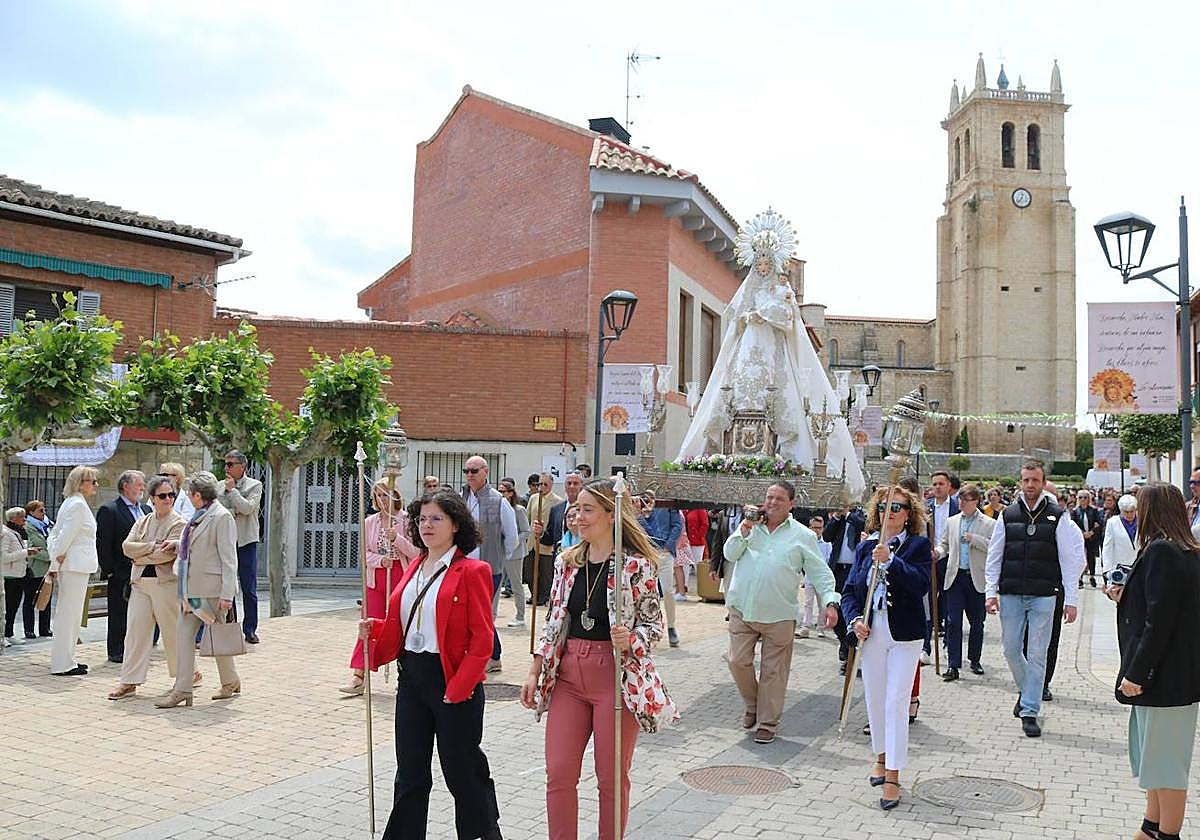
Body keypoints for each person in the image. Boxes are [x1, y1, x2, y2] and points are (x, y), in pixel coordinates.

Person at [520, 478, 677, 840]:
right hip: (568, 676)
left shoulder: (636, 566)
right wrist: (534, 668)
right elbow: (554, 620)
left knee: (611, 777)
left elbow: (654, 626)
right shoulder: (567, 562)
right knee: (559, 771)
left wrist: (632, 639)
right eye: (577, 509)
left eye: (588, 509)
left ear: (611, 514)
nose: (578, 516)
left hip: (615, 678)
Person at [677, 209, 865, 497]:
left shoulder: (781, 291)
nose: (763, 268)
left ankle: (786, 456)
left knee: (783, 400)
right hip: (748, 349)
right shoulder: (748, 291)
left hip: (773, 351)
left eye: (767, 263)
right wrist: (748, 316)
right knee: (735, 391)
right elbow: (735, 317)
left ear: (774, 264)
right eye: (759, 263)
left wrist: (762, 314)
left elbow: (788, 317)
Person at [360, 490, 502, 840]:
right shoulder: (414, 567)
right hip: (412, 679)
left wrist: (460, 688)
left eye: (436, 518)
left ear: (455, 525)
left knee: (462, 771)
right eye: (422, 519)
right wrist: (375, 629)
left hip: (452, 680)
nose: (427, 525)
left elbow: (482, 639)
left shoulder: (473, 570)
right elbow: (406, 622)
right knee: (410, 772)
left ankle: (483, 834)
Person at [1111, 481, 1200, 840]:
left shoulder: (1164, 550)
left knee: (1165, 767)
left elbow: (1159, 622)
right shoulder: (1179, 549)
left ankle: (1167, 834)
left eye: (1142, 506)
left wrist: (1137, 673)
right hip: (1169, 677)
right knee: (1155, 761)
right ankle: (1152, 828)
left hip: (1164, 678)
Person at [723, 480, 839, 744]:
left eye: (779, 499)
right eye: (769, 497)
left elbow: (820, 573)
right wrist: (744, 528)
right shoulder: (751, 526)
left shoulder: (803, 535)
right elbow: (730, 553)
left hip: (780, 615)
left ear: (791, 504)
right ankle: (753, 705)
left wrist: (830, 602)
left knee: (773, 672)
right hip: (742, 609)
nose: (772, 503)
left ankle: (767, 722)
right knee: (737, 661)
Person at [841, 484, 932, 810]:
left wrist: (892, 560)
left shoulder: (917, 545)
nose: (889, 513)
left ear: (908, 515)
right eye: (883, 507)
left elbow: (920, 584)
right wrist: (854, 621)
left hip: (905, 635)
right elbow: (850, 591)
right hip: (873, 632)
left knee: (895, 702)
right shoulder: (865, 548)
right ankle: (881, 756)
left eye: (896, 508)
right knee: (876, 700)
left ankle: (894, 774)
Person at [985, 460, 1085, 737]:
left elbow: (1069, 560)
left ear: (1043, 483)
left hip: (1044, 594)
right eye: (1026, 479)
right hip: (1011, 592)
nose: (1030, 484)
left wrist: (1072, 599)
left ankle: (1030, 710)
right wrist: (990, 592)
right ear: (1021, 482)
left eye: (1035, 480)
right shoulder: (1007, 515)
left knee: (1038, 653)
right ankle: (1028, 690)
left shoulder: (1058, 515)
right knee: (1010, 650)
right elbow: (995, 555)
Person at [156, 472, 242, 709]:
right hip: (191, 589)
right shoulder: (198, 516)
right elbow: (194, 545)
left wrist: (227, 594)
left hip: (212, 590)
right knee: (184, 636)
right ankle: (183, 689)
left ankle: (230, 681)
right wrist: (177, 544)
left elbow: (229, 558)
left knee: (218, 637)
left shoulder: (221, 517)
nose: (187, 497)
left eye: (190, 493)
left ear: (197, 495)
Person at [107, 474, 191, 700]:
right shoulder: (142, 521)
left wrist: (141, 555)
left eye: (171, 495)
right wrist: (151, 547)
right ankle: (129, 681)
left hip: (166, 584)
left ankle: (186, 676)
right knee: (136, 632)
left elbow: (166, 555)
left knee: (173, 633)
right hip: (140, 583)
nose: (168, 499)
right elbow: (127, 547)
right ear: (152, 498)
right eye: (162, 496)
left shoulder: (179, 523)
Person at [340, 480, 420, 696]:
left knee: (401, 626)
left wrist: (398, 539)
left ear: (395, 495)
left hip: (400, 578)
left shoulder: (407, 520)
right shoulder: (370, 522)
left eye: (386, 494)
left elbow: (417, 553)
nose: (382, 499)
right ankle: (359, 675)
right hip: (376, 580)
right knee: (367, 625)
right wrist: (380, 561)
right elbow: (364, 554)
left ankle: (405, 675)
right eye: (378, 495)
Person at [461, 456, 518, 673]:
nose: (469, 475)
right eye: (466, 471)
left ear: (485, 472)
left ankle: (494, 656)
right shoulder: (461, 498)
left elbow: (511, 537)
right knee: (469, 613)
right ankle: (479, 653)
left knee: (481, 614)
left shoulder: (499, 501)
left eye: (474, 471)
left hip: (488, 569)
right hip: (463, 565)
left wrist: (499, 557)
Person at [934, 484, 994, 681]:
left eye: (965, 500)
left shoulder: (989, 523)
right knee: (953, 622)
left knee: (977, 622)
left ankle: (974, 659)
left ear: (975, 501)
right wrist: (937, 553)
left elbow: (994, 548)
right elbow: (944, 544)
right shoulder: (952, 521)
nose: (961, 503)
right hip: (955, 577)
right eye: (959, 499)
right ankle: (953, 665)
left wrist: (974, 539)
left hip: (976, 578)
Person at [46, 466, 100, 675]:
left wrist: (55, 559)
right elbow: (62, 538)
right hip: (75, 565)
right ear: (80, 483)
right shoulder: (77, 505)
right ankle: (63, 663)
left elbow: (54, 536)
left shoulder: (72, 502)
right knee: (69, 615)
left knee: (70, 614)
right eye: (92, 481)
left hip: (74, 565)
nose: (95, 485)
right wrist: (55, 561)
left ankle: (68, 659)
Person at [96, 469, 149, 663]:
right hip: (121, 572)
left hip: (145, 571)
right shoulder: (110, 510)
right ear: (125, 486)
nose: (143, 487)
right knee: (119, 613)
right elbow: (103, 543)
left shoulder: (147, 510)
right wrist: (110, 571)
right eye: (139, 484)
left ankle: (136, 648)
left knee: (140, 614)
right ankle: (116, 650)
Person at [218, 450, 263, 644]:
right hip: (225, 541)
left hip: (246, 541)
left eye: (230, 464)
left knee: (248, 587)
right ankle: (231, 625)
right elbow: (217, 510)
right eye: (225, 464)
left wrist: (233, 492)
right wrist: (234, 509)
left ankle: (250, 629)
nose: (226, 468)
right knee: (228, 585)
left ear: (242, 466)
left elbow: (247, 508)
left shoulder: (255, 485)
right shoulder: (218, 486)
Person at [636, 489, 684, 647]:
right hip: (645, 554)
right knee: (645, 593)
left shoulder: (668, 502)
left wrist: (668, 547)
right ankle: (646, 627)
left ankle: (671, 626)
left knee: (668, 591)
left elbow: (677, 525)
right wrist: (643, 516)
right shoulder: (639, 503)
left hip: (664, 554)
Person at [825, 505, 866, 673]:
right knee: (836, 609)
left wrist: (848, 514)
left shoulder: (860, 514)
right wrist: (836, 517)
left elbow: (863, 525)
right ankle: (844, 641)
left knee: (851, 610)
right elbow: (827, 536)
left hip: (855, 570)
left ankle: (851, 653)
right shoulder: (840, 519)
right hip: (838, 570)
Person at [526, 473, 563, 607]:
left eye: (545, 484)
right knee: (530, 572)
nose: (542, 487)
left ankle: (543, 596)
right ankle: (534, 594)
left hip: (546, 544)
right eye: (540, 484)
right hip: (532, 542)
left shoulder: (557, 501)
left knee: (545, 573)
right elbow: (528, 517)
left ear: (551, 485)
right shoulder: (533, 498)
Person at [3, 507, 39, 644]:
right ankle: (3, 636)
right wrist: (25, 552)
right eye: (22, 518)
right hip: (9, 576)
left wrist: (28, 552)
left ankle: (9, 634)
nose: (25, 520)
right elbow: (4, 557)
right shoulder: (6, 533)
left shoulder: (17, 532)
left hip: (19, 574)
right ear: (13, 519)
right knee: (7, 607)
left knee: (13, 607)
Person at [497, 478, 530, 625]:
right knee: (496, 585)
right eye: (499, 491)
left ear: (510, 493)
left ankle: (520, 616)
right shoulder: (496, 509)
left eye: (503, 491)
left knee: (516, 585)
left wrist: (513, 542)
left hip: (515, 554)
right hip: (499, 553)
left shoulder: (519, 510)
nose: (501, 494)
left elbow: (526, 531)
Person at [797, 514, 831, 639]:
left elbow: (828, 561)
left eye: (819, 528)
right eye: (814, 527)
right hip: (809, 577)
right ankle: (805, 627)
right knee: (808, 603)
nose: (817, 530)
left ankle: (821, 627)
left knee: (822, 604)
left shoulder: (827, 544)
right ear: (809, 528)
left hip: (822, 578)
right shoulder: (806, 542)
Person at [22, 501, 52, 638]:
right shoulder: (28, 527)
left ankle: (45, 628)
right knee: (30, 599)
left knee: (46, 597)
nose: (43, 513)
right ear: (31, 512)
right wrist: (49, 556)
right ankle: (29, 629)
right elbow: (31, 548)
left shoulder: (48, 524)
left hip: (48, 569)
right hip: (34, 568)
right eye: (40, 510)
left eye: (44, 510)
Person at [1102, 494, 1139, 579]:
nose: (1129, 515)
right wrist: (1107, 569)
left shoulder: (1142, 521)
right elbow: (1108, 546)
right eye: (1126, 512)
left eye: (1132, 511)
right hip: (1119, 567)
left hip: (1138, 566)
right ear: (1121, 510)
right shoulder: (1112, 522)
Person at [1073, 490, 1104, 588]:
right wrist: (1082, 533)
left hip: (1091, 537)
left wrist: (1091, 532)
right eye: (1080, 497)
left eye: (1085, 497)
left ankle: (1092, 576)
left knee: (1091, 557)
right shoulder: (1075, 511)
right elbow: (1073, 525)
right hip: (1080, 538)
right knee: (1080, 558)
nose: (1083, 499)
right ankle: (1080, 578)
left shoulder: (1094, 510)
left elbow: (1099, 523)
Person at [681, 505, 708, 600]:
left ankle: (703, 589)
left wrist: (698, 536)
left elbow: (705, 524)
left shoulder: (700, 509)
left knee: (698, 566)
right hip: (687, 541)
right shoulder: (686, 509)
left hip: (697, 542)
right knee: (685, 565)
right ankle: (684, 587)